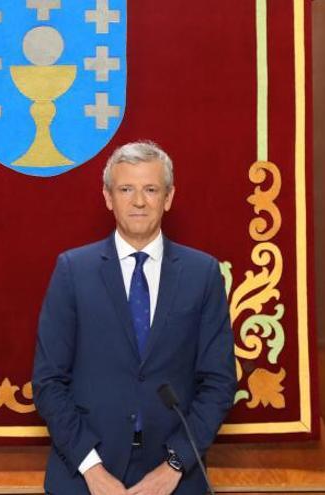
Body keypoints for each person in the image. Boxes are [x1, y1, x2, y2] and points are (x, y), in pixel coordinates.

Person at [32, 141, 237, 494]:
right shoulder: (73, 270)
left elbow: (219, 383)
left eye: (151, 189)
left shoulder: (201, 273)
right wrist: (91, 468)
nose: (139, 201)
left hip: (175, 478)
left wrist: (175, 465)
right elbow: (48, 382)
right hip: (82, 476)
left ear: (168, 198)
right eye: (126, 189)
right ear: (108, 197)